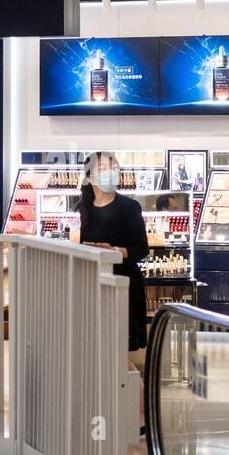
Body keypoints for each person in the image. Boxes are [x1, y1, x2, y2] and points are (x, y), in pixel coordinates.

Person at [75, 151, 149, 371]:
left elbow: (141, 248)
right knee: (99, 350)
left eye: (113, 168)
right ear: (89, 176)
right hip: (95, 285)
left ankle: (133, 399)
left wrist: (114, 250)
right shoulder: (85, 208)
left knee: (118, 353)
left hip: (123, 286)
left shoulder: (129, 207)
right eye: (103, 168)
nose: (110, 173)